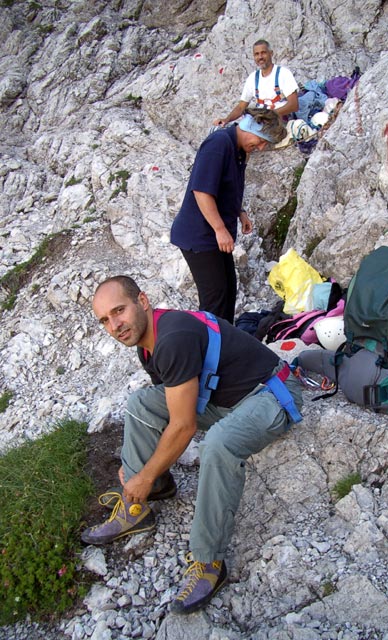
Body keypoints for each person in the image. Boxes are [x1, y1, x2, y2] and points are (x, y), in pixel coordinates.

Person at [81, 275, 303, 615]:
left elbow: (183, 426)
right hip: (225, 399)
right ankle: (149, 494)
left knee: (218, 444)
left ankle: (209, 562)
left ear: (143, 301)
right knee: (141, 403)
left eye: (119, 311)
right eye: (105, 320)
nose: (114, 325)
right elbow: (174, 408)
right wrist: (144, 471)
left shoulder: (173, 339)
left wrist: (140, 473)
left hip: (270, 395)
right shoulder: (147, 344)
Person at [170, 107, 286, 324]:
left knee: (228, 293)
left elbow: (225, 187)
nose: (261, 148)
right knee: (214, 301)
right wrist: (220, 229)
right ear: (250, 127)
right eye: (261, 141)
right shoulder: (219, 144)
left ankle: (225, 345)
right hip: (199, 237)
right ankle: (210, 351)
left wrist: (239, 212)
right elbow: (202, 191)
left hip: (215, 237)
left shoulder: (239, 149)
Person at [213, 39, 299, 127]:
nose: (260, 57)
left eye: (263, 53)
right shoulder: (253, 78)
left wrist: (268, 115)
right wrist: (226, 120)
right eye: (257, 54)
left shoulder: (283, 74)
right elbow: (241, 107)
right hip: (260, 121)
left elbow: (294, 105)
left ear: (271, 53)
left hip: (279, 121)